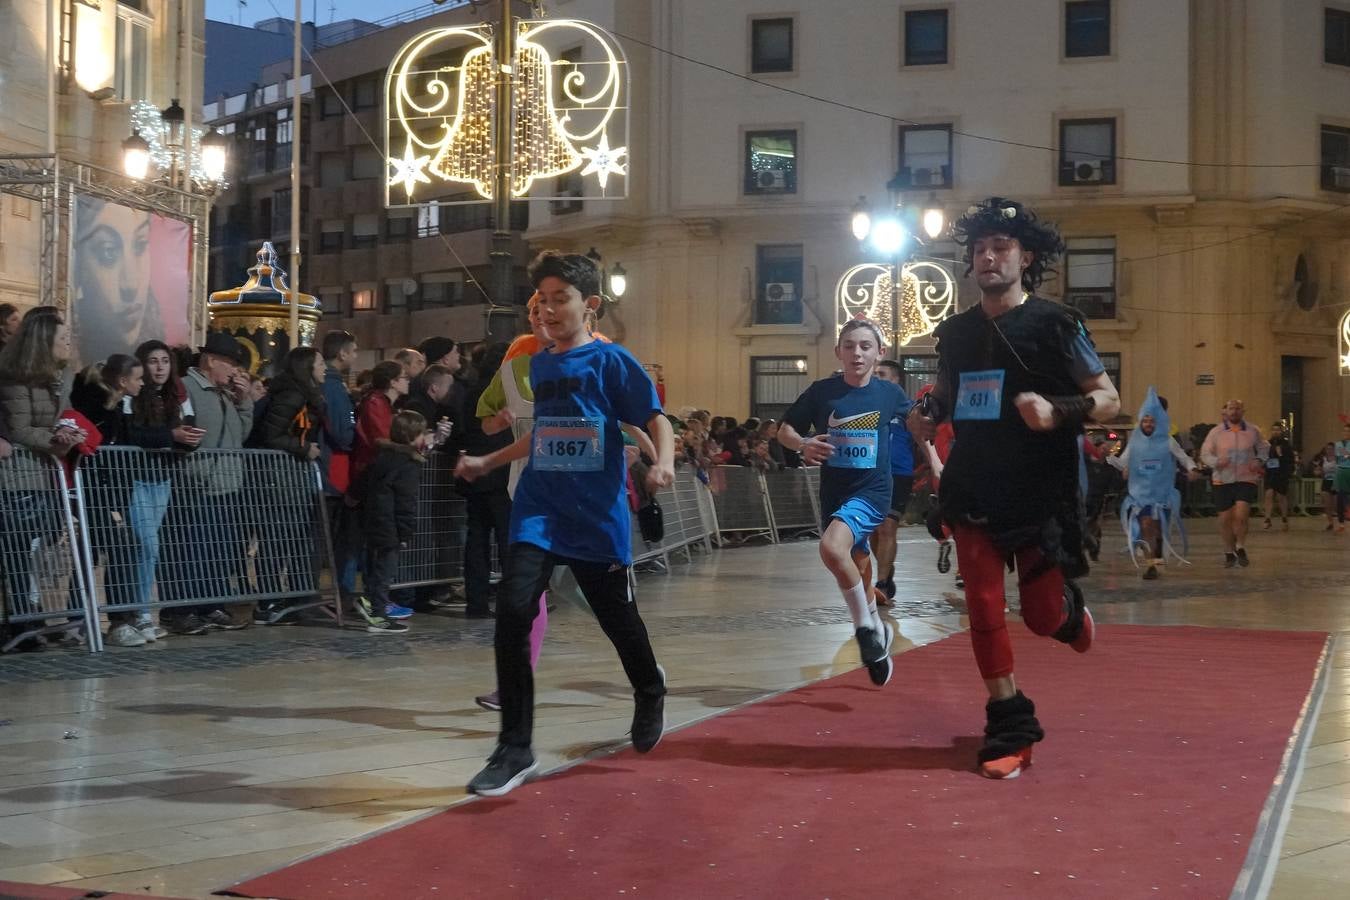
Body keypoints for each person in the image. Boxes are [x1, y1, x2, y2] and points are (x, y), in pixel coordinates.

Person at [907, 197, 1120, 780]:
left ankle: (1068, 617)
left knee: (1040, 616)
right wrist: (925, 412)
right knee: (980, 602)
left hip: (1041, 490)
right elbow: (947, 394)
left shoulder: (1057, 322)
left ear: (1025, 257)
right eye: (979, 250)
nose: (988, 257)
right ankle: (1009, 726)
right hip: (974, 485)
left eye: (1000, 248)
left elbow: (1108, 399)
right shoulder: (953, 333)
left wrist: (1058, 409)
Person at [454, 250, 674, 797]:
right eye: (541, 301)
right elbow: (545, 432)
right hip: (539, 508)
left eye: (560, 300)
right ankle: (514, 747)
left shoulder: (612, 361)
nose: (548, 311)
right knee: (513, 608)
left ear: (590, 304)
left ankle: (649, 689)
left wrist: (663, 462)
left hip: (595, 516)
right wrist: (490, 460)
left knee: (617, 619)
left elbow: (654, 417)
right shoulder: (541, 362)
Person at [778, 318, 910, 686]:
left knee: (832, 549)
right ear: (838, 351)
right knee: (857, 565)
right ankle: (878, 631)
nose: (857, 353)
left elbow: (918, 423)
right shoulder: (822, 392)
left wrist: (936, 459)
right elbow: (785, 430)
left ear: (879, 353)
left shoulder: (889, 394)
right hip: (835, 493)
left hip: (872, 492)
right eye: (849, 345)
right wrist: (803, 444)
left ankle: (865, 629)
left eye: (865, 346)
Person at [160, 331, 253, 635]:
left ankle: (211, 603)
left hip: (226, 484)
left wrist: (244, 402)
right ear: (211, 361)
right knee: (188, 549)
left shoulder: (225, 394)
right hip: (196, 484)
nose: (234, 372)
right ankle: (181, 608)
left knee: (217, 550)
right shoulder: (187, 388)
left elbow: (240, 434)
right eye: (229, 364)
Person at [0, 307, 84, 637]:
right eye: (63, 337)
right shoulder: (15, 377)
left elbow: (58, 416)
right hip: (15, 475)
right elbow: (20, 428)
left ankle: (27, 619)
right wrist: (54, 440)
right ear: (44, 340)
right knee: (18, 550)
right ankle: (21, 622)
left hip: (40, 474)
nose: (69, 342)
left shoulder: (53, 379)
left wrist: (65, 431)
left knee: (30, 549)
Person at [128, 340, 203, 637]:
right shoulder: (133, 395)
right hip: (136, 477)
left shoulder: (175, 397)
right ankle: (138, 612)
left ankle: (144, 612)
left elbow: (187, 427)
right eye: (153, 361)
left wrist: (188, 439)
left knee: (150, 549)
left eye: (164, 361)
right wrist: (169, 435)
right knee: (146, 544)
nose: (159, 367)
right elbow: (132, 432)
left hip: (163, 477)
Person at [251, 347, 327, 617]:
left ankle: (288, 597)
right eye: (320, 363)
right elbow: (271, 434)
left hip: (293, 477)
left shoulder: (304, 394)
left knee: (291, 537)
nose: (324, 368)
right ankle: (268, 599)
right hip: (279, 478)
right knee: (277, 538)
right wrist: (303, 448)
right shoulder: (291, 395)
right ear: (307, 367)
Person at [348, 410, 429, 634]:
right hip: (391, 528)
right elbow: (406, 503)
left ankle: (370, 602)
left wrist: (352, 498)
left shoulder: (382, 457)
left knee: (375, 568)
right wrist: (405, 534)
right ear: (413, 436)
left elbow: (361, 484)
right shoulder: (409, 465)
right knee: (385, 572)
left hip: (373, 522)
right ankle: (378, 615)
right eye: (422, 433)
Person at [1110, 388, 1198, 580]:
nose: (1148, 424)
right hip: (1140, 497)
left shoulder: (1168, 441)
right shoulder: (1134, 442)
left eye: (1152, 421)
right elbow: (1122, 462)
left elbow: (1183, 458)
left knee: (1158, 528)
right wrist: (1108, 456)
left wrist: (1192, 469)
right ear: (1141, 422)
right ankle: (1151, 565)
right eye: (1145, 420)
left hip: (1162, 495)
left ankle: (1156, 557)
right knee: (1146, 524)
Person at [318, 331, 360, 607]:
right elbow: (342, 430)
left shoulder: (333, 385)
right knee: (327, 538)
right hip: (333, 470)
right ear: (342, 353)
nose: (356, 356)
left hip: (331, 469)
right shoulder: (333, 387)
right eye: (354, 350)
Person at [1200, 400, 1268, 567]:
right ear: (1226, 412)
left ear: (1243, 411)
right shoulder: (1216, 432)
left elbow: (1264, 448)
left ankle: (1240, 546)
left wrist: (1259, 460)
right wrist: (1216, 462)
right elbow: (1205, 453)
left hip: (1246, 478)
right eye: (1231, 409)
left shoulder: (1253, 430)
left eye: (1238, 409)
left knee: (1241, 514)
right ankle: (1228, 551)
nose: (1234, 412)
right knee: (1225, 519)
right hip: (1223, 479)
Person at [869, 359, 916, 603]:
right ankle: (886, 567)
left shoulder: (908, 409)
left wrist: (934, 465)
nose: (876, 376)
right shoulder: (867, 407)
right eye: (875, 373)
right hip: (870, 472)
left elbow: (923, 439)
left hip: (899, 472)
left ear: (896, 379)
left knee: (887, 526)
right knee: (872, 531)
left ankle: (882, 582)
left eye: (882, 373)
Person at [1263, 421, 1294, 531]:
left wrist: (1281, 454)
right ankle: (1267, 519)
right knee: (1269, 494)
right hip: (1270, 473)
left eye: (1278, 430)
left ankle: (1284, 518)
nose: (1275, 432)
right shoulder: (1267, 444)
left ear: (1281, 431)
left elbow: (1290, 460)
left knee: (1281, 497)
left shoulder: (1286, 445)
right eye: (1274, 430)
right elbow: (1263, 458)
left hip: (1281, 473)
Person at [1334, 423, 1350, 534]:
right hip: (1341, 471)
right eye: (1344, 431)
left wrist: (1346, 454)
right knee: (1340, 497)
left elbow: (1345, 455)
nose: (1346, 433)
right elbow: (1341, 456)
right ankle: (1341, 523)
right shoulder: (1338, 444)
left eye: (1348, 431)